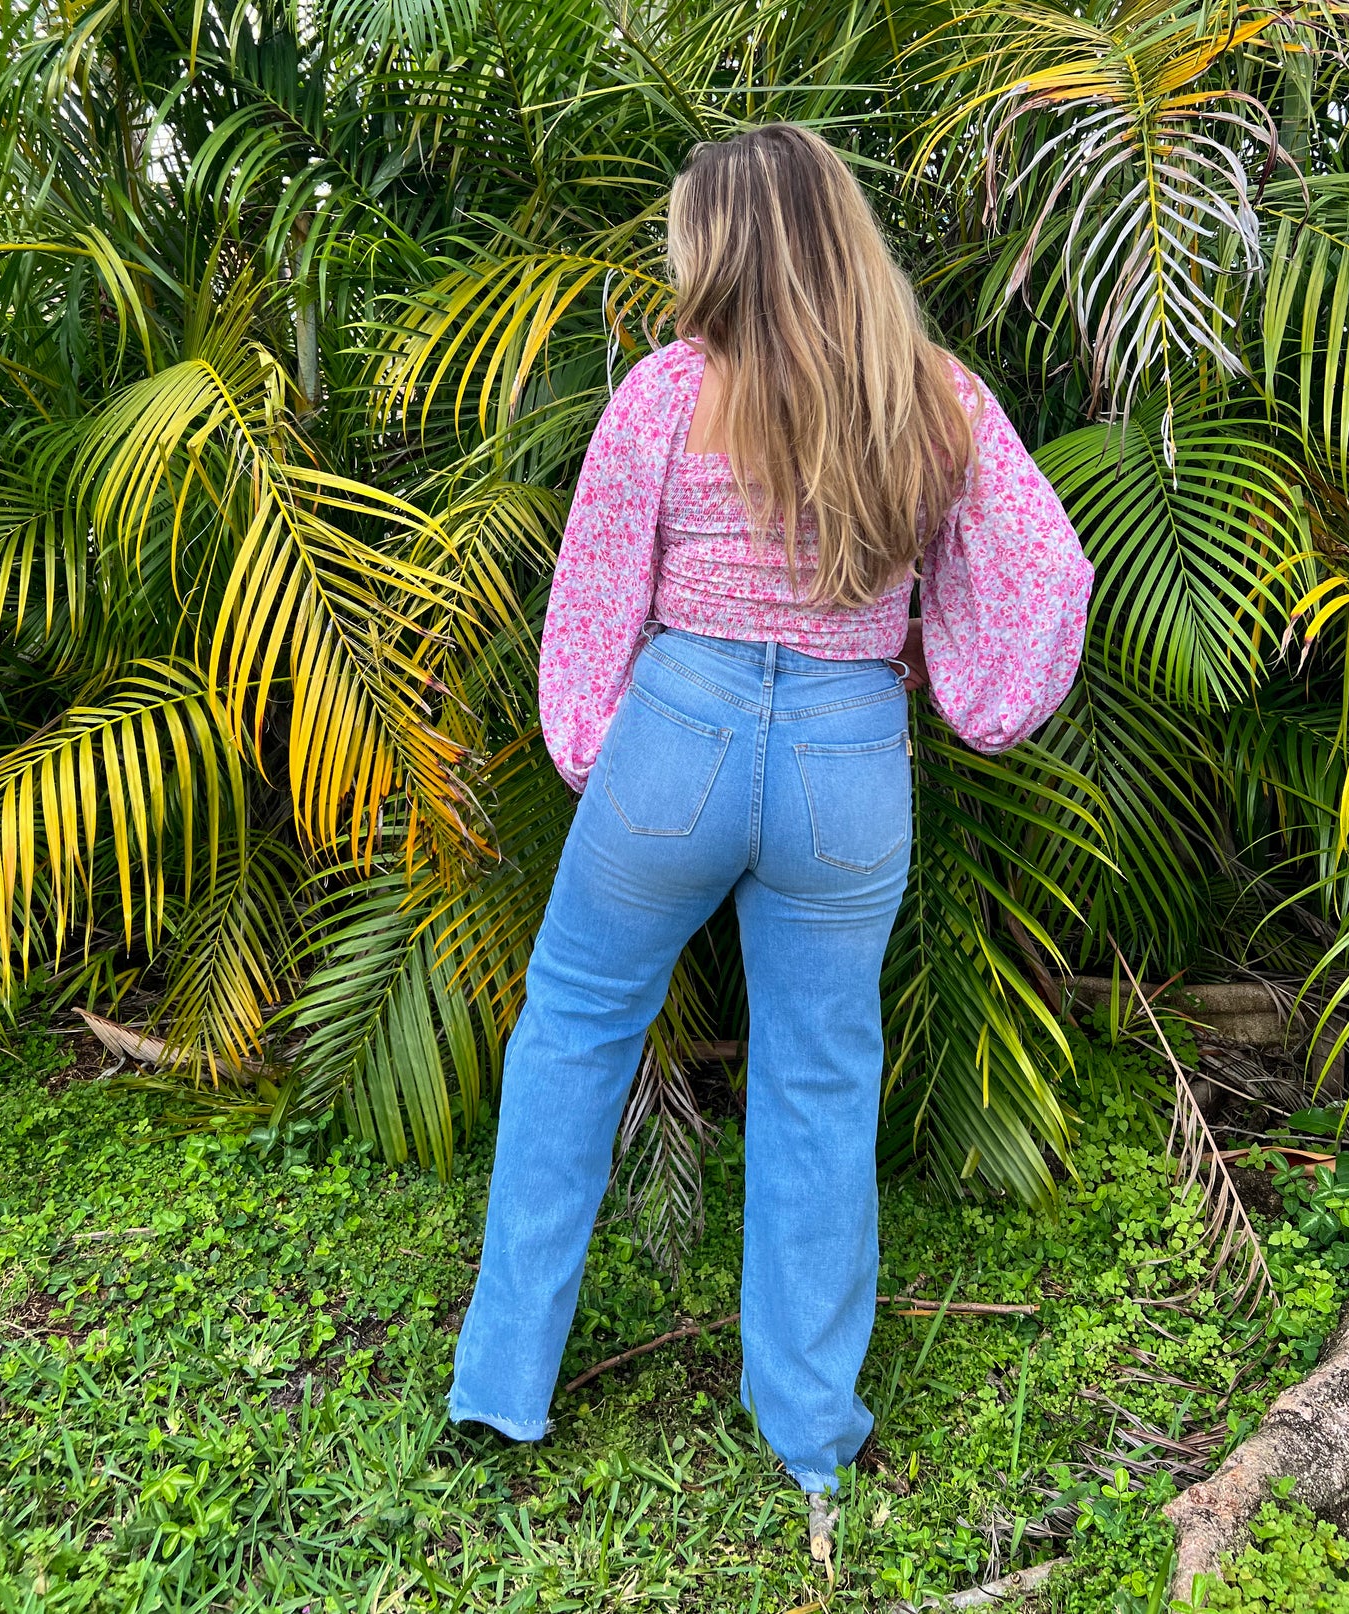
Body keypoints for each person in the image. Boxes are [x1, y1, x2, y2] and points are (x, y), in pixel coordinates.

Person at [449, 124, 1092, 1530]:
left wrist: (594, 748)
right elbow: (1049, 574)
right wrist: (958, 682)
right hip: (848, 761)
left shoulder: (667, 391)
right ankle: (809, 1423)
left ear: (718, 244)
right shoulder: (930, 397)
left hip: (675, 737)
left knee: (569, 1032)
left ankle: (504, 1378)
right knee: (820, 1079)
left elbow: (596, 593)